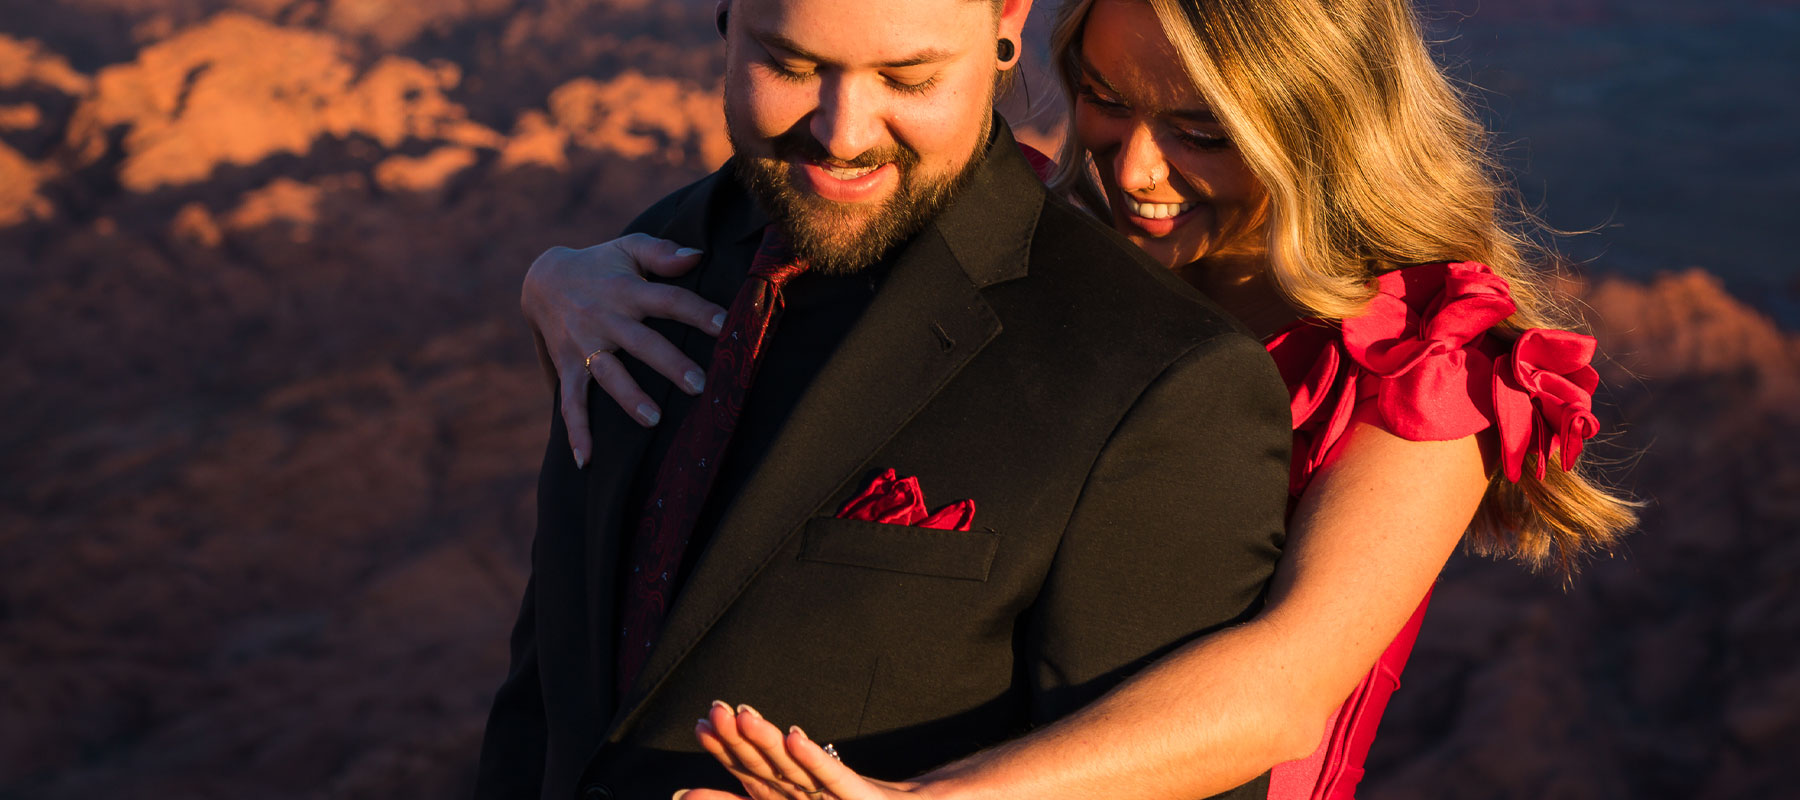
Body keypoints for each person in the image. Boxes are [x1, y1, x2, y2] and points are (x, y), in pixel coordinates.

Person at [515, 0, 1641, 798]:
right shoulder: (1085, 265)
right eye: (1103, 100)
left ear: (1319, 120)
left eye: (1203, 131)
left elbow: (1285, 688)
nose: (1138, 169)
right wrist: (556, 278)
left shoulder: (1422, 360)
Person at [474, 0, 1298, 797]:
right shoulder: (634, 271)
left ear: (1006, 26)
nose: (844, 133)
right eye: (790, 65)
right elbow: (544, 695)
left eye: (908, 80)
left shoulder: (1158, 377)